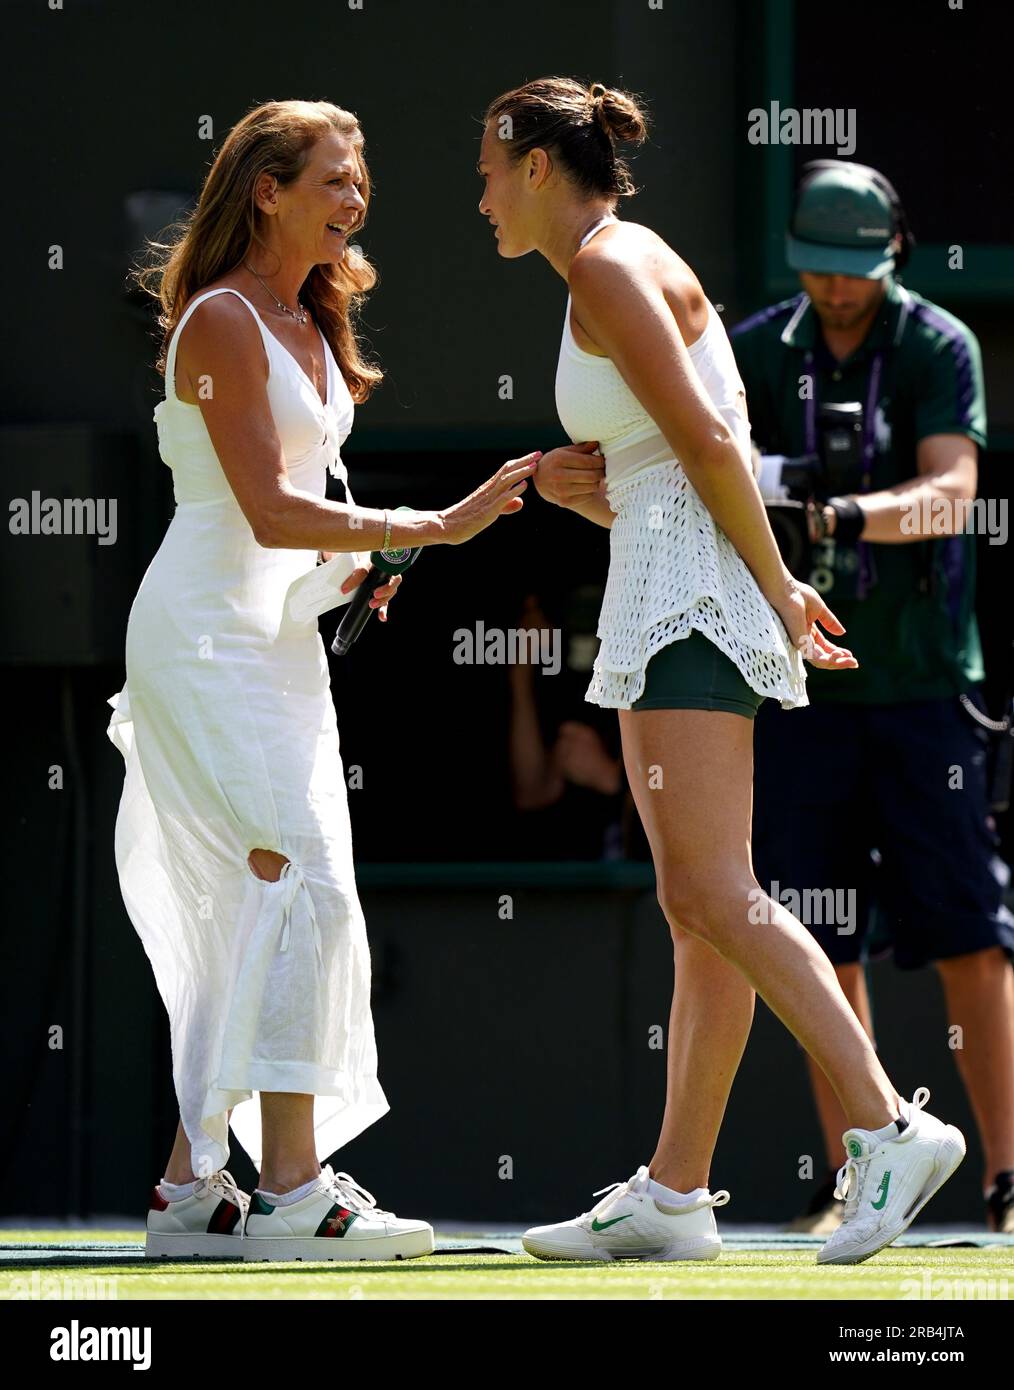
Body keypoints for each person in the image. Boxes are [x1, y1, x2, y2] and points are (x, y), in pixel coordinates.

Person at [477, 76, 966, 1264]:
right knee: (701, 911)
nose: (480, 195)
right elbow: (663, 461)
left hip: (692, 594)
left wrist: (777, 582)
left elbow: (705, 439)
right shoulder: (620, 257)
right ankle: (676, 1191)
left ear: (538, 165)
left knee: (710, 895)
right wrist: (562, 481)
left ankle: (889, 1123)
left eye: (489, 170)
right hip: (684, 574)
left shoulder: (603, 263)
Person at [107, 98, 543, 1262]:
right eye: (336, 179)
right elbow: (261, 506)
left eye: (361, 180)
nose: (357, 198)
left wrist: (368, 560)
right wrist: (434, 524)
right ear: (267, 189)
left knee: (283, 888)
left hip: (283, 638)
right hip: (204, 636)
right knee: (299, 884)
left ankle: (191, 1191)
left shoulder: (310, 317)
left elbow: (306, 504)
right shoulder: (218, 322)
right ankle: (293, 1191)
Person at [730, 161, 1014, 1235]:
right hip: (804, 685)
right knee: (816, 929)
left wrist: (838, 512)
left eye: (855, 269)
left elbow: (952, 495)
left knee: (972, 928)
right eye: (819, 267)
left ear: (892, 253)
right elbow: (709, 470)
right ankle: (862, 1172)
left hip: (928, 683)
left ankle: (1005, 1177)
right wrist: (770, 483)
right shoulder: (757, 347)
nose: (836, 288)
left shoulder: (941, 344)